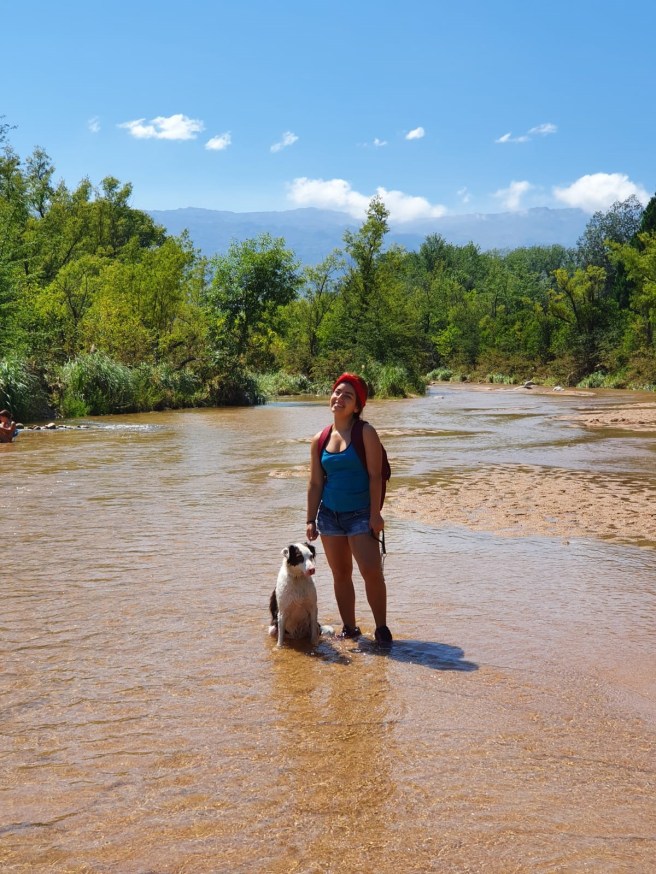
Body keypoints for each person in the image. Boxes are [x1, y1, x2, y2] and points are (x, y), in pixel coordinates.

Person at [306, 373, 393, 645]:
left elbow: (375, 476)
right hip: (329, 516)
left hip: (360, 514)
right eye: (337, 392)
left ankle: (381, 629)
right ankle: (350, 628)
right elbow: (315, 482)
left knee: (370, 571)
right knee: (340, 575)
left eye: (348, 395)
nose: (339, 398)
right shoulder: (319, 439)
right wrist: (310, 519)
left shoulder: (365, 432)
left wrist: (375, 514)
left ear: (357, 406)